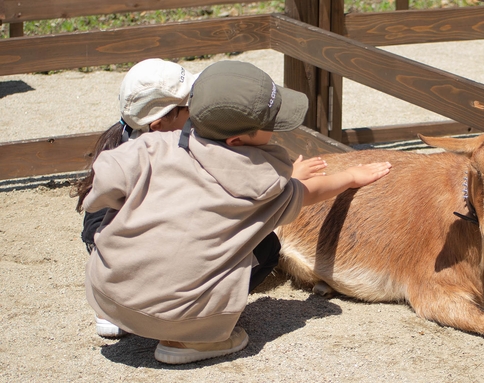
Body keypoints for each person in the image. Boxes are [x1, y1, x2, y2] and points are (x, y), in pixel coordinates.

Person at [81, 60, 391, 364]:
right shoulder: (260, 183)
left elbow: (106, 177)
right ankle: (190, 340)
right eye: (269, 123)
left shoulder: (155, 144)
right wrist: (350, 177)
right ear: (237, 141)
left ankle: (128, 311)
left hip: (108, 295)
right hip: (176, 317)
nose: (274, 128)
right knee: (266, 248)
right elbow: (307, 193)